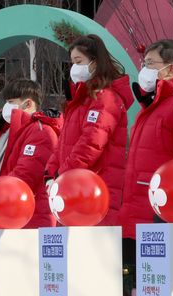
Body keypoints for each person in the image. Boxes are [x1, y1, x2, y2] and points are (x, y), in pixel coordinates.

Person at [117, 39, 173, 264]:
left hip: (161, 215)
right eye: (144, 64)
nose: (143, 70)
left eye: (150, 64)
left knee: (156, 290)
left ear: (170, 68)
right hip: (138, 210)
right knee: (135, 289)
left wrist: (172, 211)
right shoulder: (151, 106)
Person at [44, 34, 133, 226]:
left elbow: (91, 143)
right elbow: (63, 144)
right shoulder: (79, 100)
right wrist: (50, 172)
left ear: (95, 63)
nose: (74, 67)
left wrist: (62, 175)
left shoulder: (106, 98)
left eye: (79, 61)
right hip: (72, 187)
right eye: (72, 62)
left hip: (93, 188)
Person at [0, 78, 63, 228]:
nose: (6, 107)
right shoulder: (9, 131)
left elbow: (26, 173)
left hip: (30, 215)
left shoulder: (41, 131)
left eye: (11, 102)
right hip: (5, 209)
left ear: (28, 103)